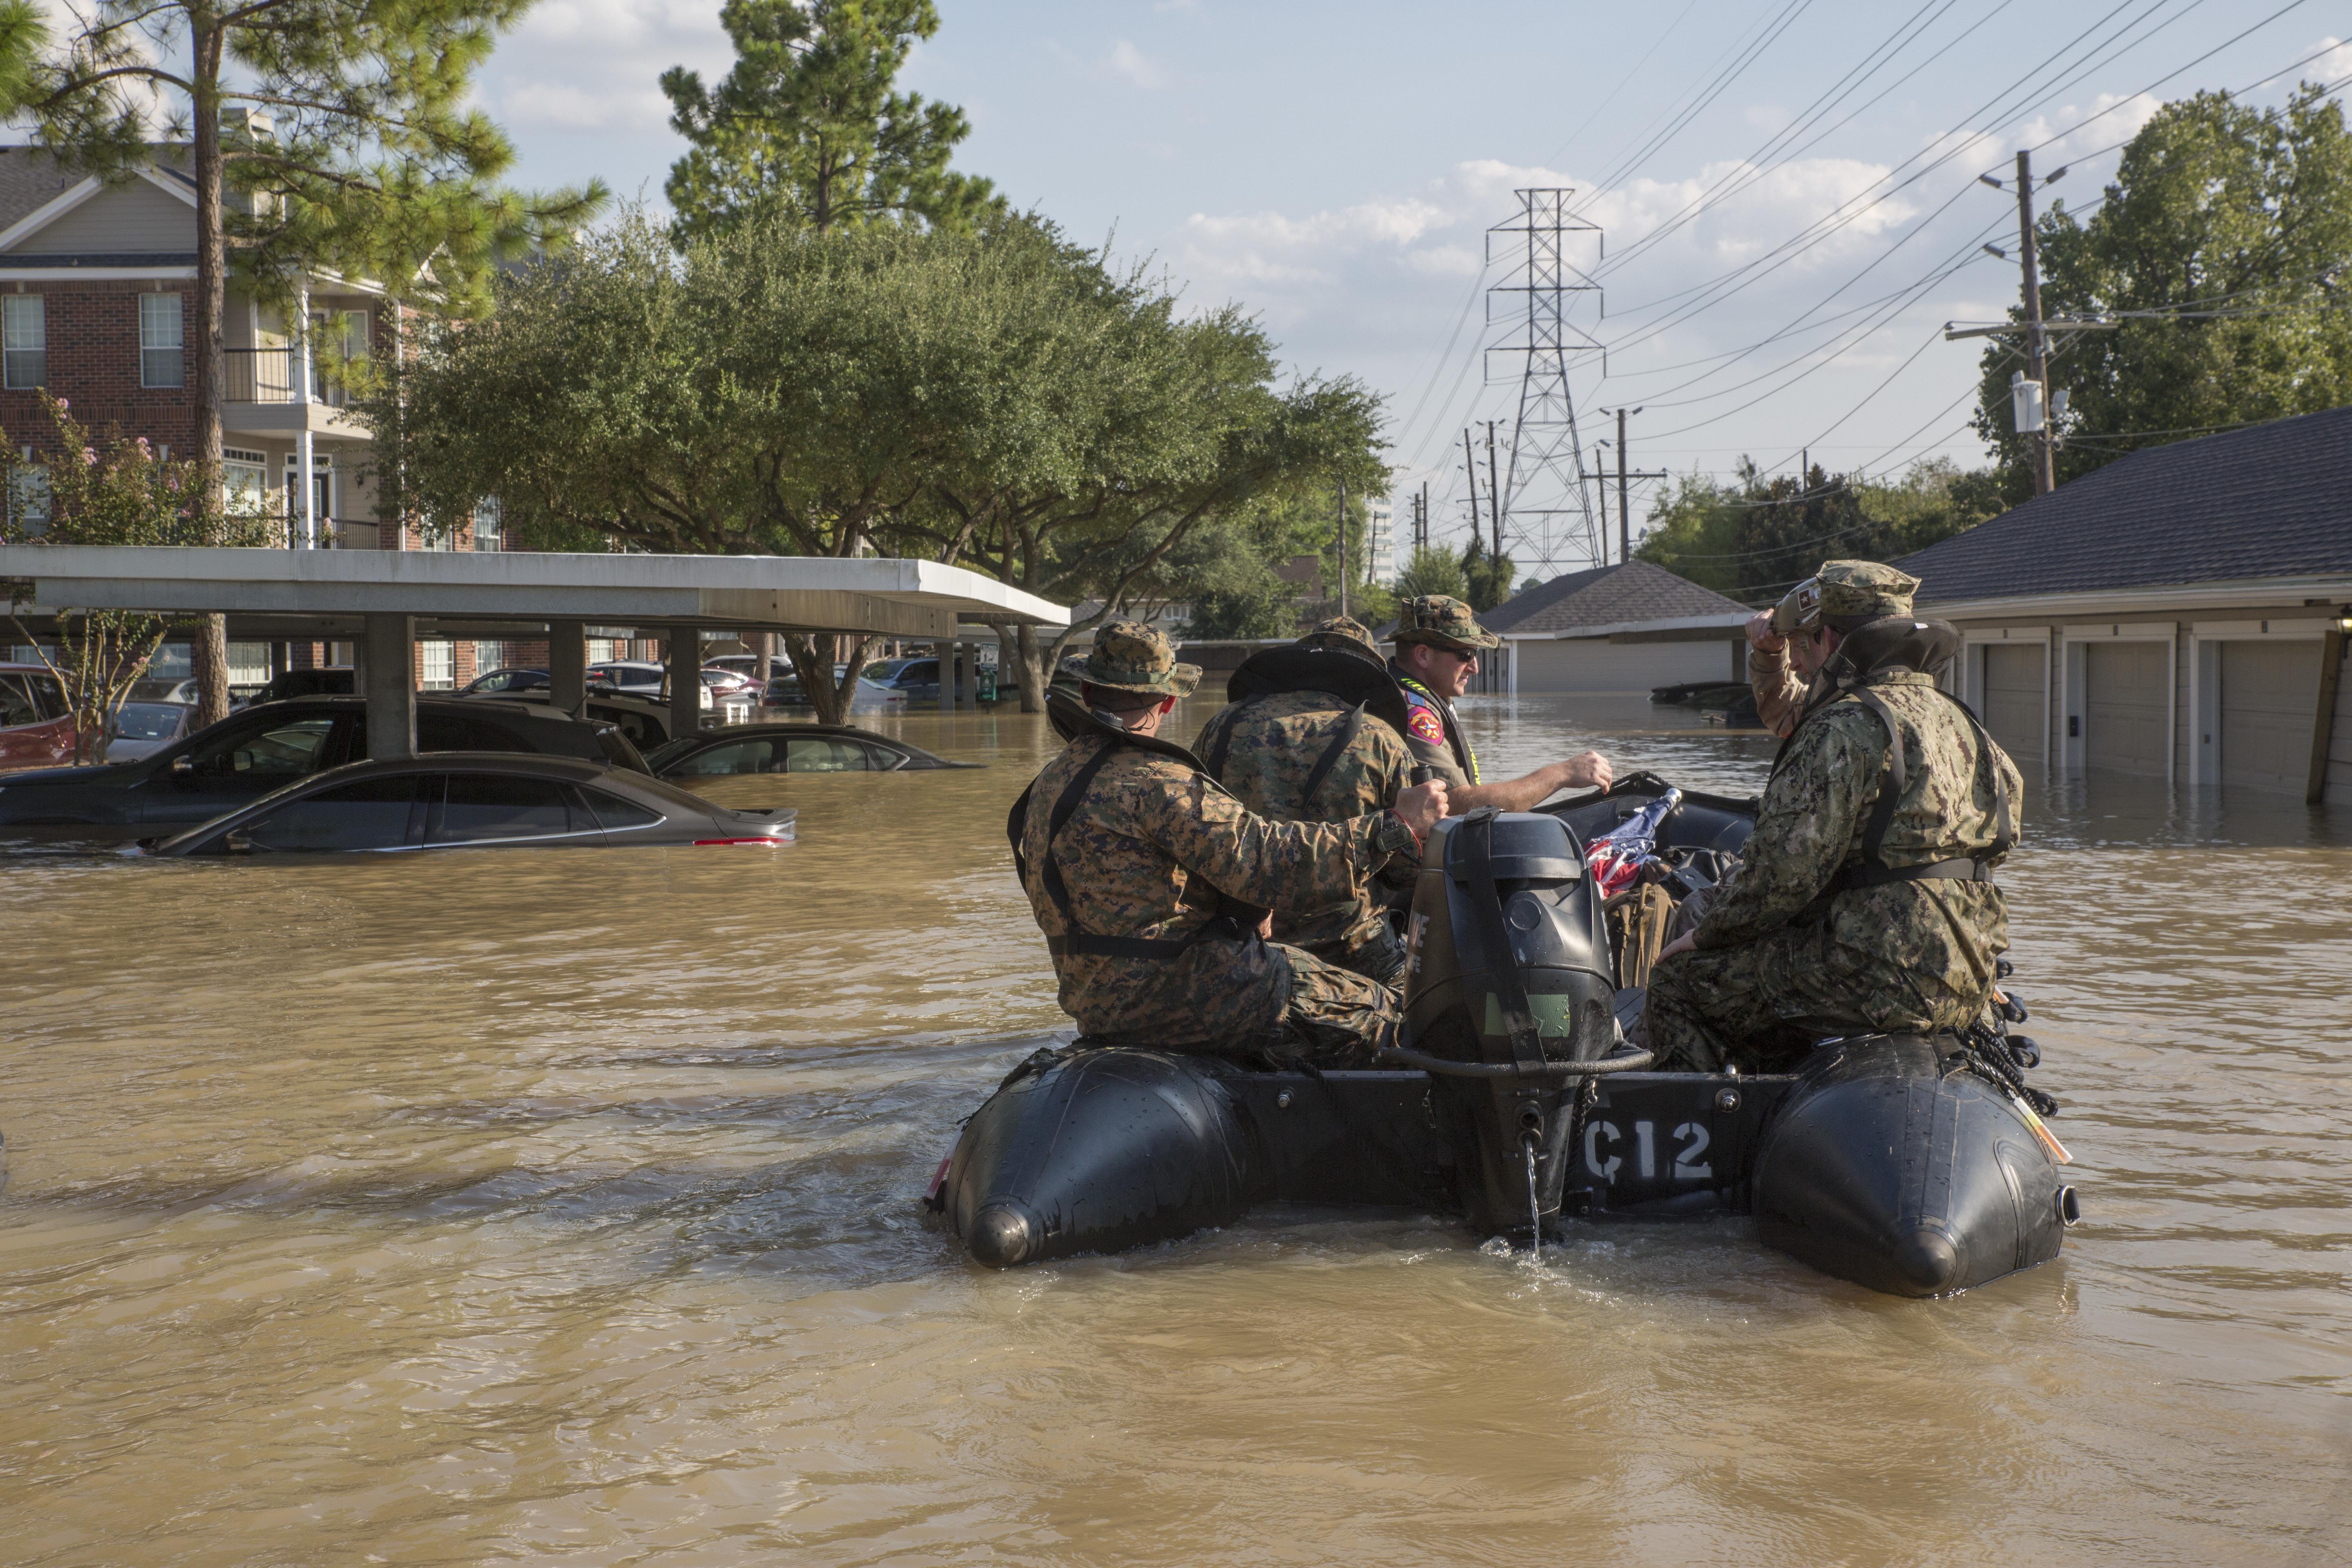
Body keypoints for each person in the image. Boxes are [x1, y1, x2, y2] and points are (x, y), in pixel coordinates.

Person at [1011, 621, 1449, 1066]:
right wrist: (1396, 824)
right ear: (1167, 701)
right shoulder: (1159, 783)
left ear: (1086, 692)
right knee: (1393, 1014)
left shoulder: (1049, 781)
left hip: (1094, 1000)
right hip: (1180, 995)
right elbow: (1271, 862)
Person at [1645, 561, 2024, 1074]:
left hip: (1876, 978)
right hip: (1968, 979)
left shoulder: (1844, 727)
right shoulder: (1966, 724)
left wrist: (1705, 936)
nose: (1799, 662)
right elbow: (2003, 839)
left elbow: (1780, 875)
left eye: (1805, 646)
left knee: (1679, 984)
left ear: (1829, 639)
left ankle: (1713, 1134)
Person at [1191, 617, 1420, 985]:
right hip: (1353, 955)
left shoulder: (1222, 727)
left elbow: (1190, 835)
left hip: (1244, 949)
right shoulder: (1381, 740)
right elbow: (1406, 871)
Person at [1387, 594, 1613, 809]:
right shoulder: (1410, 711)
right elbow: (1456, 803)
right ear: (1423, 655)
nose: (1475, 668)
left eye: (1476, 655)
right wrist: (1564, 773)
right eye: (1465, 655)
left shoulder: (1425, 696)